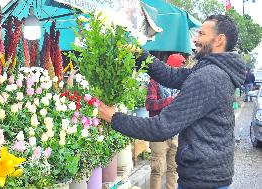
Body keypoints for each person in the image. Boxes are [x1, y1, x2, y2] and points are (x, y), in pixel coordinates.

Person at [99, 14, 246, 189]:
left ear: (219, 39)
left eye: (202, 34)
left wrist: (113, 117)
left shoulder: (209, 77)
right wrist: (140, 55)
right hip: (208, 175)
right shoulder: (211, 69)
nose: (196, 40)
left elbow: (161, 127)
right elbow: (172, 75)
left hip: (203, 181)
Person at [146, 54, 185, 189]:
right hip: (158, 132)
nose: (180, 71)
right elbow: (149, 105)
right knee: (157, 170)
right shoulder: (154, 82)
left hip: (176, 132)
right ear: (171, 67)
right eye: (179, 68)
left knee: (173, 169)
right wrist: (170, 100)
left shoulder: (182, 84)